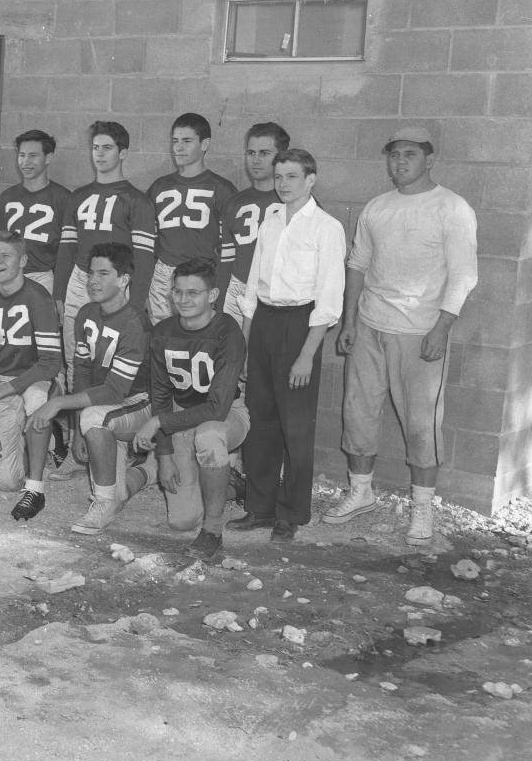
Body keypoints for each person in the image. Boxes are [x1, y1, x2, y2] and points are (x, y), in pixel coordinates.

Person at [325, 127, 478, 546]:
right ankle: (361, 492)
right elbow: (357, 265)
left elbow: (464, 274)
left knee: (420, 424)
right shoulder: (377, 207)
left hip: (421, 332)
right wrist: (350, 322)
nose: (400, 162)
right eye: (394, 155)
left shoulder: (452, 208)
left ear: (430, 160)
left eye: (409, 154)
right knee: (357, 413)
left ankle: (423, 508)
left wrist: (442, 327)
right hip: (371, 326)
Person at [228, 148, 345, 541]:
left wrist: (307, 356)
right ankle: (259, 507)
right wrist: (246, 342)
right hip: (263, 321)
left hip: (300, 325)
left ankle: (290, 513)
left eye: (291, 177)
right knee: (260, 419)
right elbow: (253, 284)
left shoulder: (326, 227)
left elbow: (329, 300)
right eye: (279, 177)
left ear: (311, 179)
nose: (283, 184)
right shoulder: (271, 219)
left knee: (295, 426)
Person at [28, 244, 153, 535]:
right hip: (107, 403)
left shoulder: (136, 323)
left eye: (103, 274)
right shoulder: (86, 313)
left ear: (123, 280)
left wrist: (60, 404)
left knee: (94, 418)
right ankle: (149, 472)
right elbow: (82, 373)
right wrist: (76, 433)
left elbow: (116, 391)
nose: (93, 280)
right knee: (119, 490)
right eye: (90, 273)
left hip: (139, 402)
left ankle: (102, 503)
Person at [132, 258, 248, 561]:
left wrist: (159, 422)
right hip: (181, 416)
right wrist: (165, 456)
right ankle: (230, 484)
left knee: (208, 438)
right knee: (181, 521)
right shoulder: (163, 331)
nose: (183, 300)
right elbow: (160, 394)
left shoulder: (227, 330)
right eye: (178, 292)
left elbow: (217, 407)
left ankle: (212, 531)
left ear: (212, 295)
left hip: (227, 416)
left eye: (193, 293)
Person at [0, 232, 63, 518]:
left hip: (37, 379)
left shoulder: (39, 298)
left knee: (35, 399)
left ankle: (35, 488)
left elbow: (50, 363)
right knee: (7, 482)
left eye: (5, 256)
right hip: (1, 382)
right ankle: (45, 441)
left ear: (22, 260)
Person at [57, 121, 156, 383]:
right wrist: (58, 294)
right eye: (95, 147)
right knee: (74, 354)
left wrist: (134, 303)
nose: (99, 154)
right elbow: (67, 249)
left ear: (123, 153)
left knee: (112, 357)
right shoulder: (78, 196)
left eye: (107, 148)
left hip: (117, 281)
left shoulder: (138, 200)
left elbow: (144, 260)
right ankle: (73, 421)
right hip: (80, 279)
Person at [146, 113, 237, 323]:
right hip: (164, 275)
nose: (178, 147)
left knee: (199, 338)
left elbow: (229, 248)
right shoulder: (159, 186)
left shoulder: (222, 189)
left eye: (187, 141)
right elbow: (148, 242)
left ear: (205, 144)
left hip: (202, 274)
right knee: (162, 337)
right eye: (175, 141)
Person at [219, 122, 289, 322]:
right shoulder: (235, 202)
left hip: (279, 294)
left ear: (281, 156)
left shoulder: (297, 202)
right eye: (251, 153)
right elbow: (226, 259)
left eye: (264, 153)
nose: (255, 160)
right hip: (238, 291)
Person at [0, 129, 74, 297]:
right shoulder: (7, 197)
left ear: (48, 158)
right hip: (8, 274)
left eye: (33, 156)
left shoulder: (64, 199)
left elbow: (68, 251)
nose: (25, 161)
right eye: (22, 155)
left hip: (43, 276)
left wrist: (60, 292)